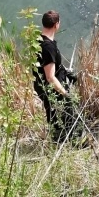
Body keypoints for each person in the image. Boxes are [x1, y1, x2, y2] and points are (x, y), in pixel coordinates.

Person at [33, 10, 79, 142]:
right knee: (66, 110)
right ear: (56, 25)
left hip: (40, 84)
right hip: (50, 87)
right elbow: (50, 77)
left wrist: (67, 73)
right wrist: (65, 94)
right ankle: (70, 139)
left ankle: (59, 137)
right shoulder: (48, 47)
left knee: (52, 111)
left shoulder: (39, 40)